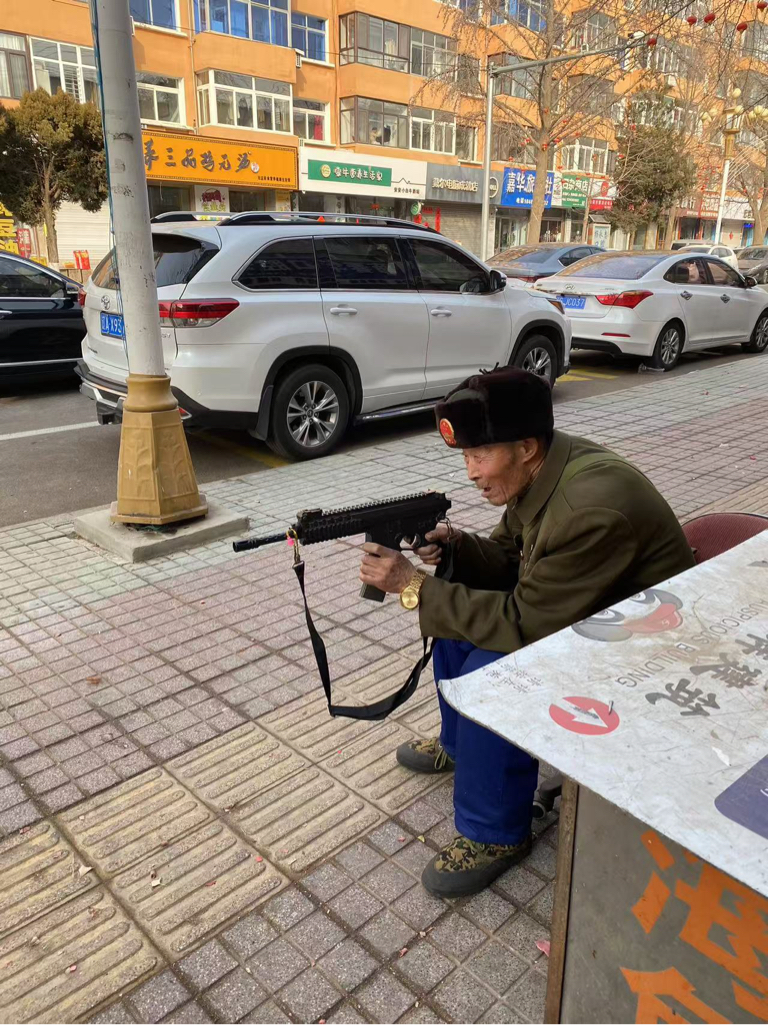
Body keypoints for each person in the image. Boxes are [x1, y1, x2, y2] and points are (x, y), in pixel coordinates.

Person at [359, 366, 695, 898]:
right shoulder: (543, 468)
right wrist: (458, 547)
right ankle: (460, 745)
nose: (471, 472)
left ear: (526, 448)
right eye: (466, 456)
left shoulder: (590, 506)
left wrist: (412, 586)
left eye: (479, 455)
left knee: (493, 669)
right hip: (587, 609)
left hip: (647, 646)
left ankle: (495, 833)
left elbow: (520, 624)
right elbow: (513, 556)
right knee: (456, 621)